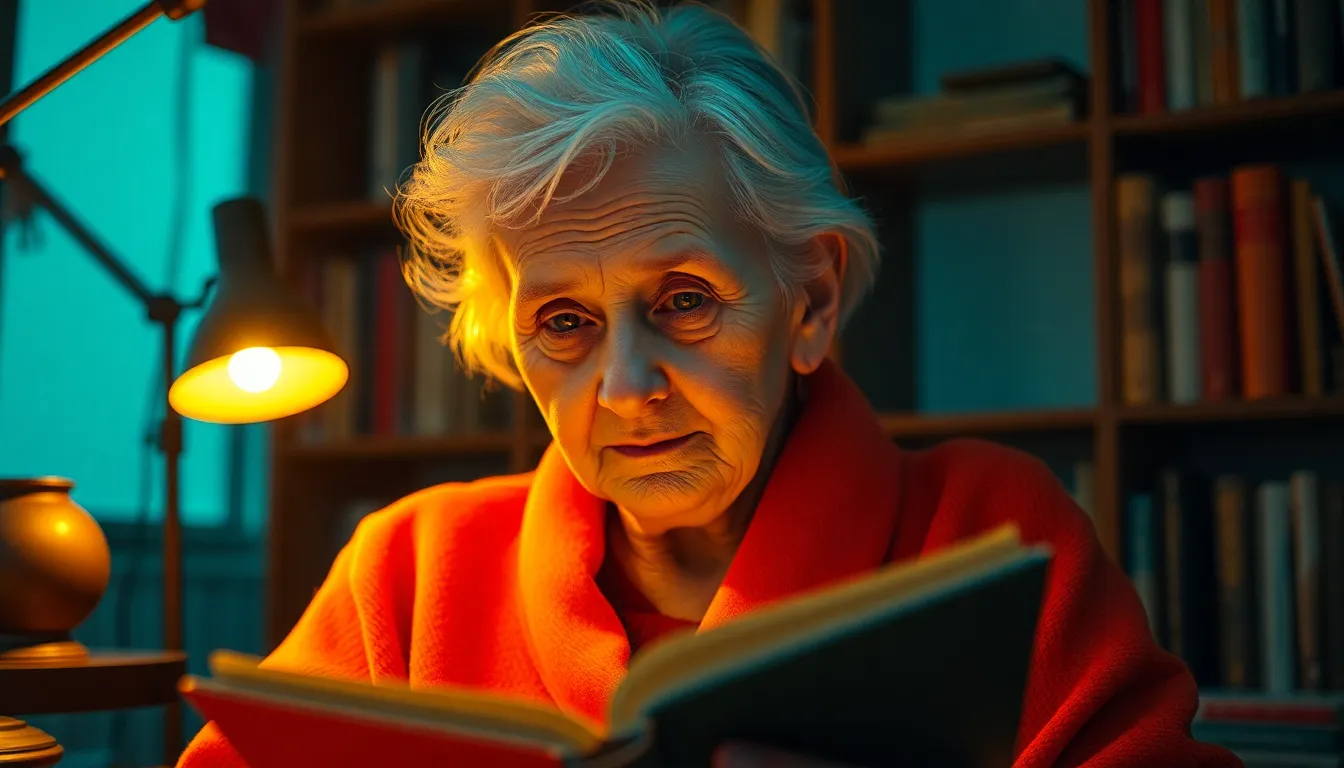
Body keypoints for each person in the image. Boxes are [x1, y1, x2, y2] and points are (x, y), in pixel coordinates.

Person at [178, 2, 1242, 766]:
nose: (627, 385)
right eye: (564, 322)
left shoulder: (995, 535)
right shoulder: (409, 572)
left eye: (684, 299)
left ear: (811, 302)